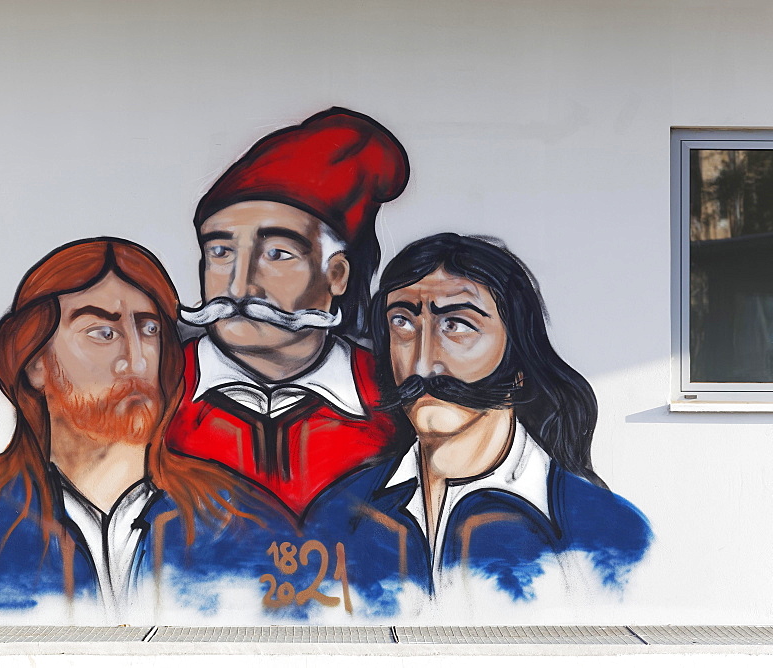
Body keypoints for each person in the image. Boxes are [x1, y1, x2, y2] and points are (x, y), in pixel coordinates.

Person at [0, 238, 246, 619]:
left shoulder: (228, 514)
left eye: (150, 330)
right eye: (103, 333)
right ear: (35, 362)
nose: (136, 360)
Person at [334, 232, 653, 605]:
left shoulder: (606, 533)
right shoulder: (344, 511)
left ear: (518, 358)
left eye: (456, 325)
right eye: (402, 322)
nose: (422, 364)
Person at [169, 107, 410, 515]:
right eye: (221, 252)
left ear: (336, 275)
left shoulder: (395, 401)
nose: (240, 286)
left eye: (278, 254)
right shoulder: (157, 390)